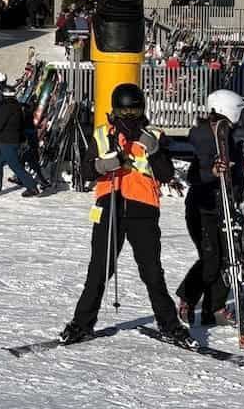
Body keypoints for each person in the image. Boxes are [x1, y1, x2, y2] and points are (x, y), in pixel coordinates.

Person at [59, 84, 189, 346]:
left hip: (143, 209)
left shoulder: (153, 135)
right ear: (115, 110)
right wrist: (103, 164)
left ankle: (170, 324)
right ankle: (82, 324)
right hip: (109, 206)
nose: (129, 116)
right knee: (98, 270)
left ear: (142, 109)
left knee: (152, 272)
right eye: (123, 111)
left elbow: (166, 174)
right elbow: (85, 172)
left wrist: (154, 150)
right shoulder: (102, 135)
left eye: (134, 111)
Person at [176, 89, 244, 327]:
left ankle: (215, 307)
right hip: (203, 207)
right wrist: (212, 172)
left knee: (230, 257)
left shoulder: (228, 136)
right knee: (211, 260)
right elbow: (195, 174)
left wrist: (242, 169)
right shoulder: (204, 137)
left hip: (226, 204)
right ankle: (187, 299)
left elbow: (231, 171)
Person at [0, 84, 40, 196]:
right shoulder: (16, 106)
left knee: (15, 165)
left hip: (8, 141)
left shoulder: (6, 107)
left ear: (4, 95)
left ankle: (32, 187)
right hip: (9, 139)